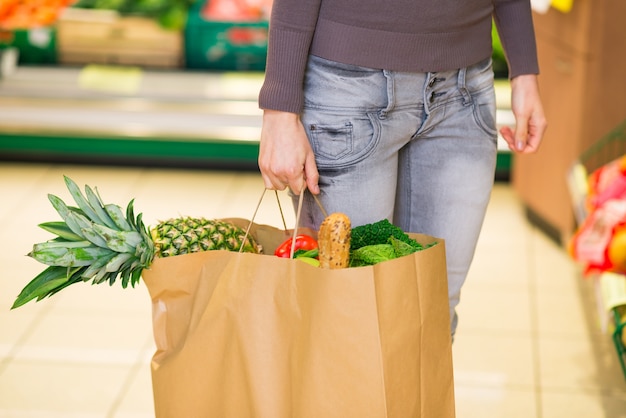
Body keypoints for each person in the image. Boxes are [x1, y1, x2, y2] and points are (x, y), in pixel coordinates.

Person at [257, 0, 547, 337]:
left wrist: (524, 72)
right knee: (346, 316)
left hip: (464, 92)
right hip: (348, 90)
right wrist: (279, 107)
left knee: (433, 312)